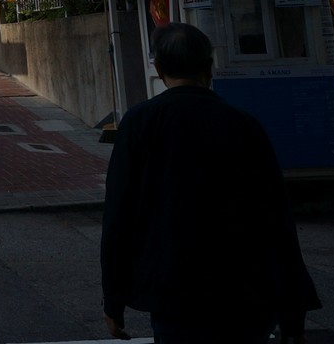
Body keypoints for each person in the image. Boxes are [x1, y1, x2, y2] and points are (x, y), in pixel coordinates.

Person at [101, 22, 319, 344]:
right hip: (246, 290)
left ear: (159, 69)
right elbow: (276, 221)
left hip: (175, 292)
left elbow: (118, 216)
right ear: (209, 67)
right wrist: (293, 315)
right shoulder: (244, 124)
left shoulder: (140, 122)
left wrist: (114, 300)